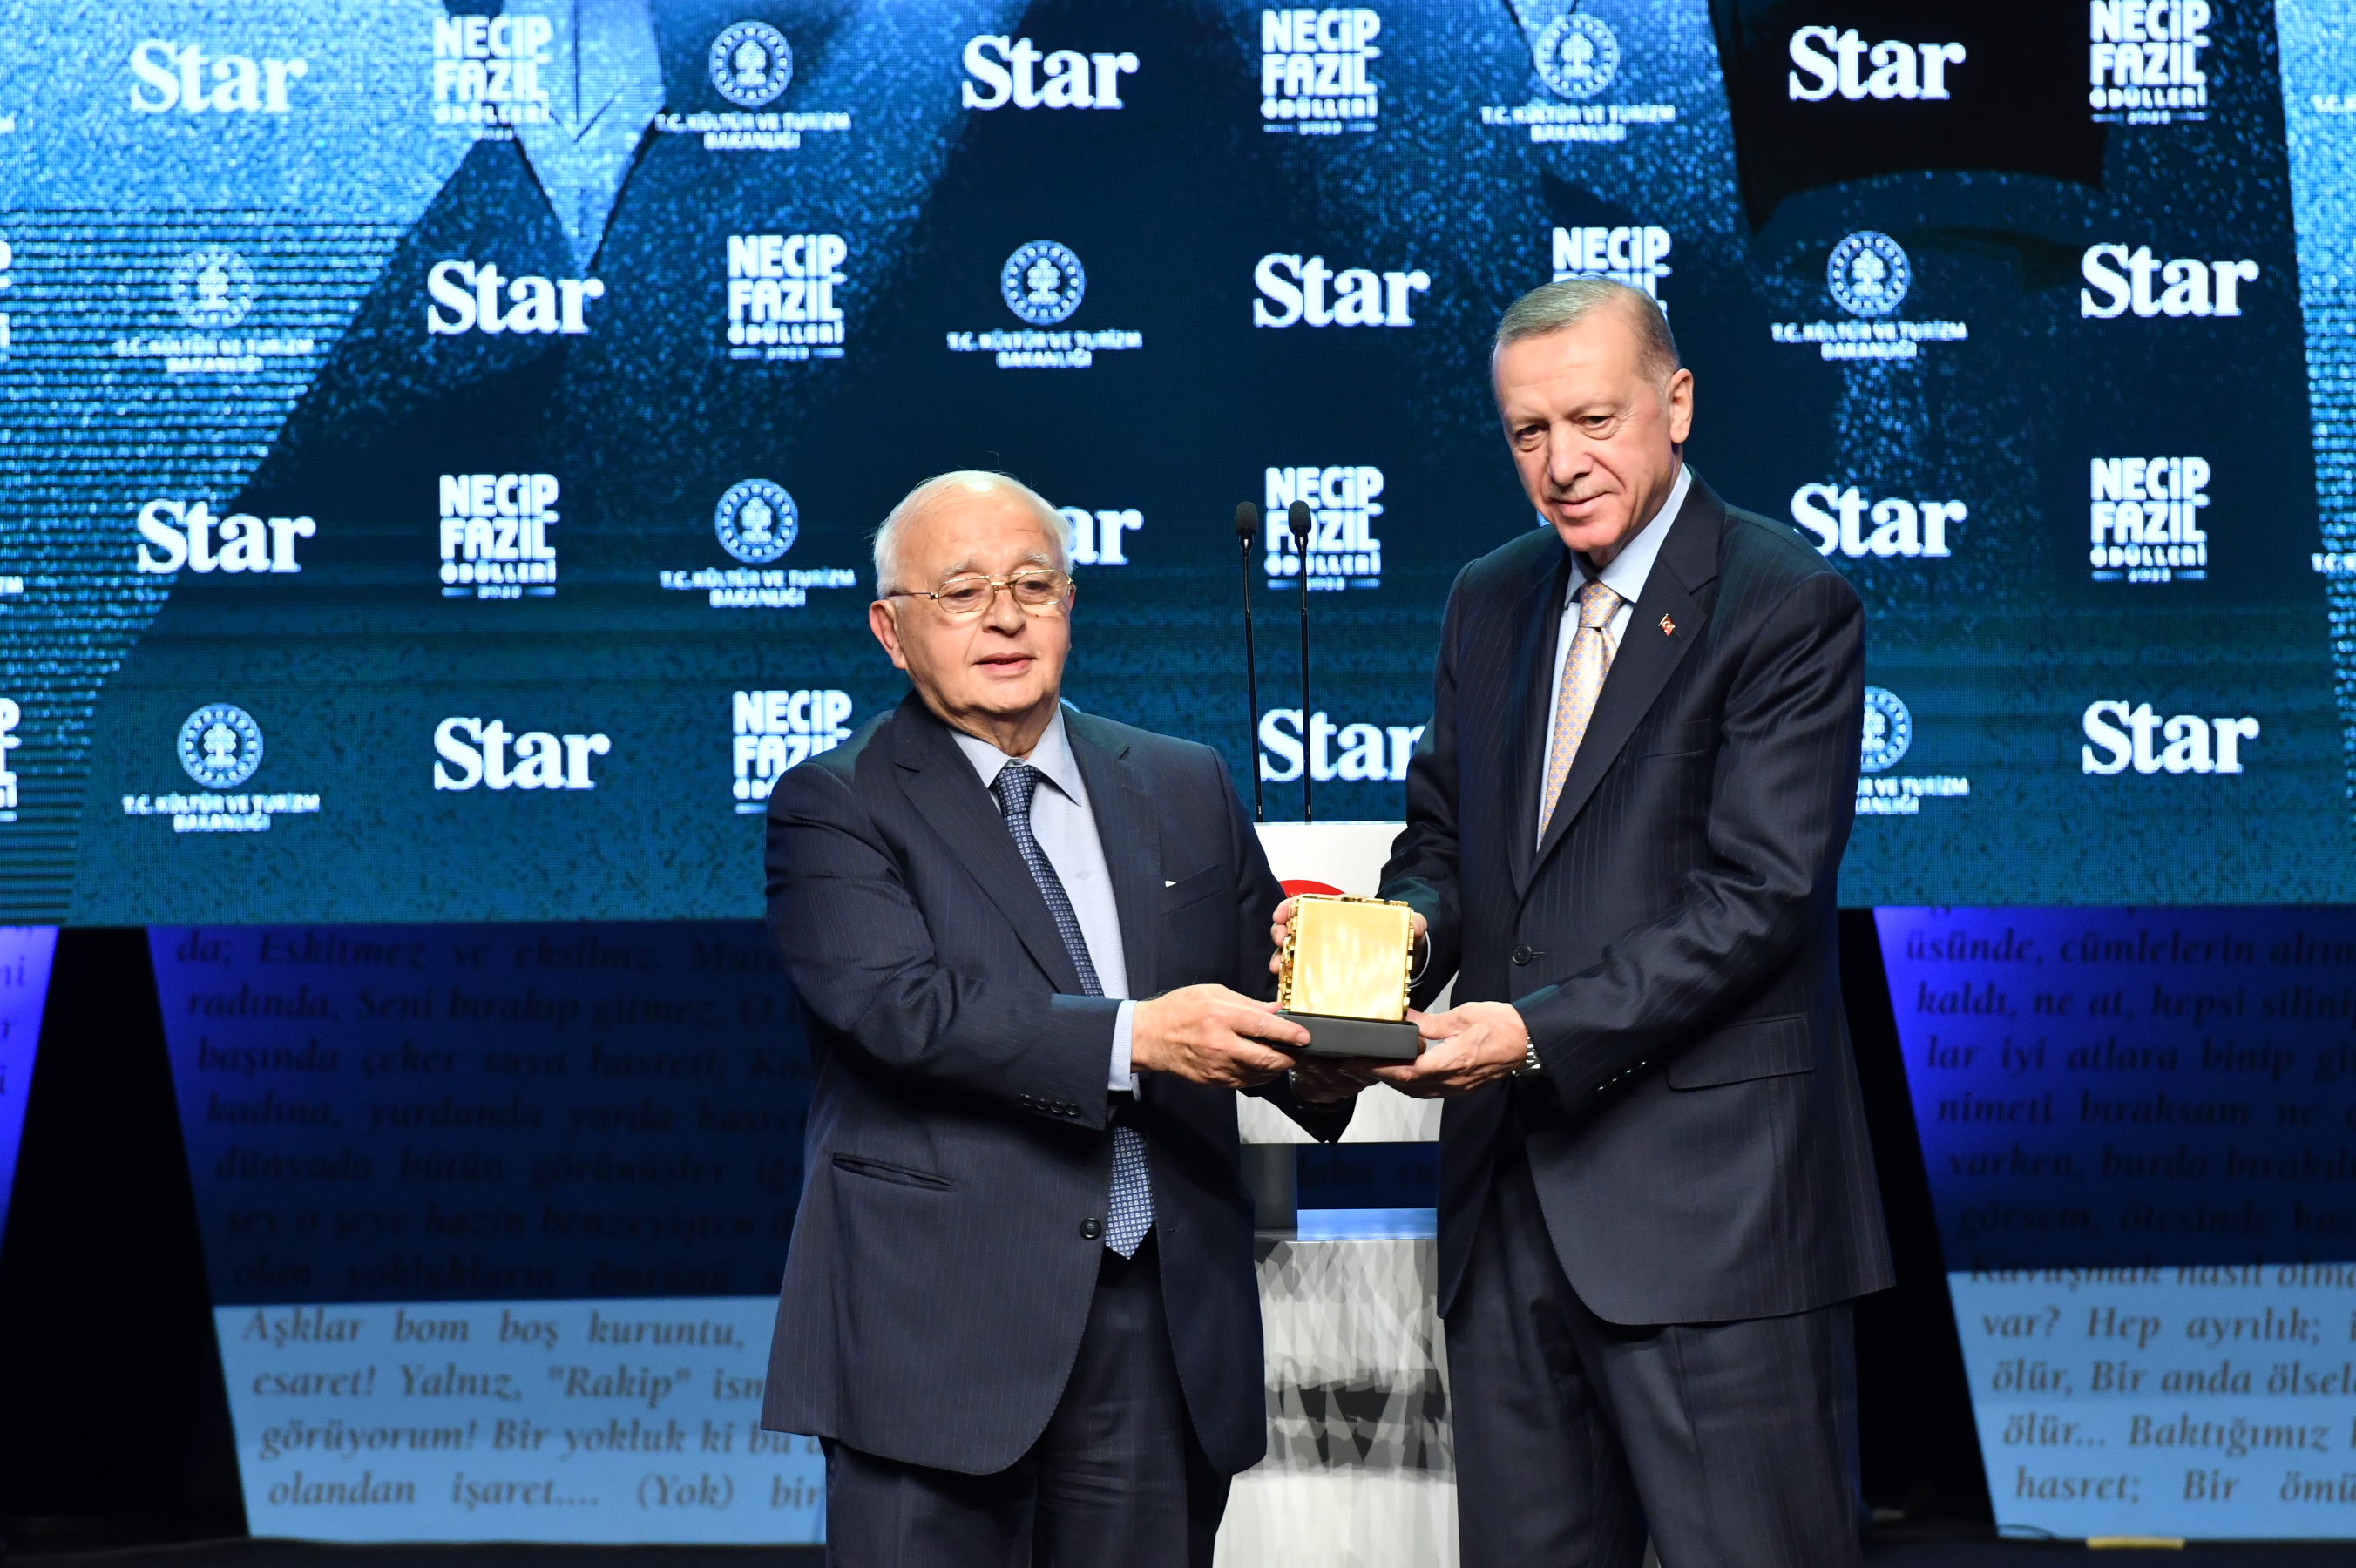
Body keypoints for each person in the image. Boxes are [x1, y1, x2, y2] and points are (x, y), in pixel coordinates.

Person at [1287, 278, 1893, 1565]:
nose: (1561, 464)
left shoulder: (1784, 602)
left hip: (1716, 1219)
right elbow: (1443, 848)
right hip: (1507, 1215)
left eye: (1594, 420)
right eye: (1528, 432)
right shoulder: (1488, 597)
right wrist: (1382, 950)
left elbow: (1758, 900)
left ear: (1677, 404)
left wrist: (1527, 1034)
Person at [761, 470, 1357, 1568]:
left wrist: (1328, 1053)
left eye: (1033, 585)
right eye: (963, 593)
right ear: (891, 632)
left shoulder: (1183, 784)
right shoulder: (836, 802)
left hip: (1156, 1327)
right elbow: (903, 1010)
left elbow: (1259, 1008)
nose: (1004, 617)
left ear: (1070, 603)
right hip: (934, 1335)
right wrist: (1139, 1038)